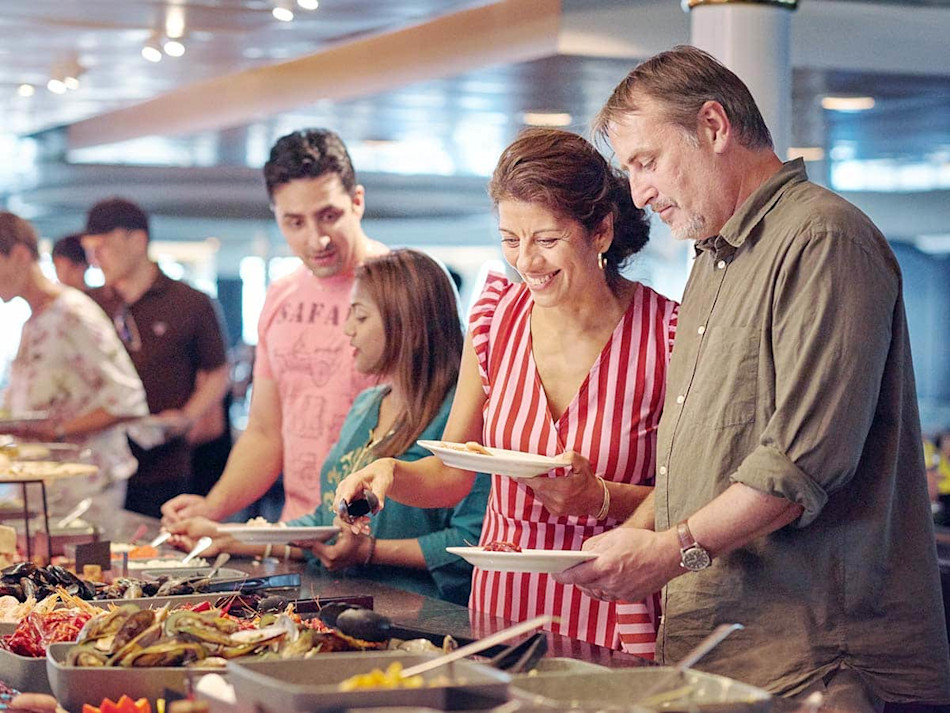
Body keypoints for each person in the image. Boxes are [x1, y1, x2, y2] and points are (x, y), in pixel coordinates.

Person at [554, 45, 950, 709]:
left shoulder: (823, 238)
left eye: (646, 162)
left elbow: (797, 468)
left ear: (714, 126)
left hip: (818, 665)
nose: (640, 193)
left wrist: (668, 552)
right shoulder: (712, 261)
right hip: (725, 652)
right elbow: (696, 469)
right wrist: (638, 538)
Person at [335, 128, 677, 656]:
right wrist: (390, 472)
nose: (526, 262)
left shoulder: (669, 334)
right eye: (510, 240)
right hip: (504, 600)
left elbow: (694, 488)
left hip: (616, 591)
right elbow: (452, 474)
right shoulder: (496, 322)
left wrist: (602, 497)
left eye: (546, 239)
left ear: (602, 231)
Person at [167, 250, 490, 605]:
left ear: (409, 326)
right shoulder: (367, 405)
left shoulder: (460, 415)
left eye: (360, 316)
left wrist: (372, 551)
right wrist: (228, 535)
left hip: (418, 613)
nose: (347, 328)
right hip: (341, 599)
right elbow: (326, 521)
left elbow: (471, 541)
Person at [161, 128, 387, 525]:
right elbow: (266, 433)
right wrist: (212, 508)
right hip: (297, 534)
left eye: (329, 216)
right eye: (294, 222)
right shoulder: (281, 295)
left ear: (357, 202)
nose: (316, 239)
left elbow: (426, 440)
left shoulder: (403, 288)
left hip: (382, 538)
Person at [82, 198, 230, 518]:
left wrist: (188, 416)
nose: (95, 260)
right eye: (90, 250)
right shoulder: (88, 305)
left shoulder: (190, 302)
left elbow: (218, 371)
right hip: (98, 462)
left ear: (137, 241)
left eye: (102, 247)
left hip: (165, 464)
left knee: (157, 557)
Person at [0, 212, 148, 511]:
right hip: (46, 492)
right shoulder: (35, 321)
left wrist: (58, 431)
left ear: (18, 255)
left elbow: (128, 399)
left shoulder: (72, 312)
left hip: (85, 490)